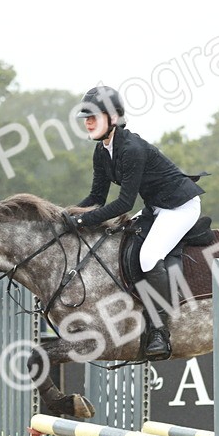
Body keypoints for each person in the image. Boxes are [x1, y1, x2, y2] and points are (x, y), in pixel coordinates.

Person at [65, 85, 205, 361]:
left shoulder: (131, 149)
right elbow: (97, 197)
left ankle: (161, 330)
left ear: (113, 118)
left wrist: (81, 220)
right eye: (86, 117)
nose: (88, 121)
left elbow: (124, 205)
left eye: (94, 116)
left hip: (180, 206)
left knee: (148, 257)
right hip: (157, 206)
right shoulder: (102, 151)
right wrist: (66, 216)